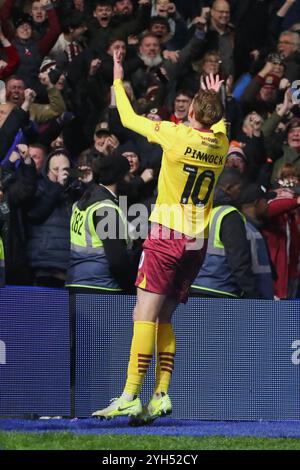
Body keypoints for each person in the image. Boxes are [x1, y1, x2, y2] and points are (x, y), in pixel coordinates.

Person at [91, 49, 229, 423]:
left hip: (167, 235)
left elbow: (128, 116)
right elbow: (220, 122)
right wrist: (219, 98)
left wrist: (118, 76)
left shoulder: (175, 134)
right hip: (197, 243)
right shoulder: (221, 143)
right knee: (166, 316)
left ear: (192, 115)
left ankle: (130, 395)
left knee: (143, 313)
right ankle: (162, 394)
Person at [66, 154, 137, 293]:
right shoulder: (106, 210)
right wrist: (130, 288)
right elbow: (117, 262)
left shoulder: (84, 202)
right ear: (120, 177)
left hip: (76, 283)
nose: (131, 179)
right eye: (128, 175)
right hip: (102, 287)